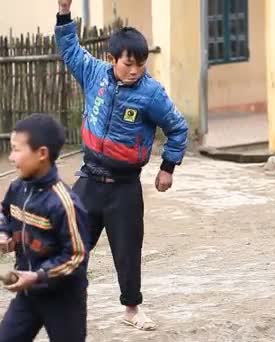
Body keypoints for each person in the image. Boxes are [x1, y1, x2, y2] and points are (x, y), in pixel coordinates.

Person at [55, 0, 188, 331]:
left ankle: (131, 309)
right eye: (128, 64)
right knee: (72, 245)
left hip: (125, 187)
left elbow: (178, 128)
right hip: (89, 179)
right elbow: (70, 50)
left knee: (127, 252)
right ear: (111, 59)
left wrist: (167, 167)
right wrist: (64, 13)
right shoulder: (94, 74)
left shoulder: (152, 94)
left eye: (141, 64)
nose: (135, 70)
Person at [0, 114, 90, 342]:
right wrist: (4, 234)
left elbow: (76, 257)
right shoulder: (18, 188)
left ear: (41, 154)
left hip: (64, 299)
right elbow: (5, 213)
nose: (11, 157)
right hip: (28, 294)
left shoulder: (64, 203)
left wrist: (38, 275)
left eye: (16, 150)